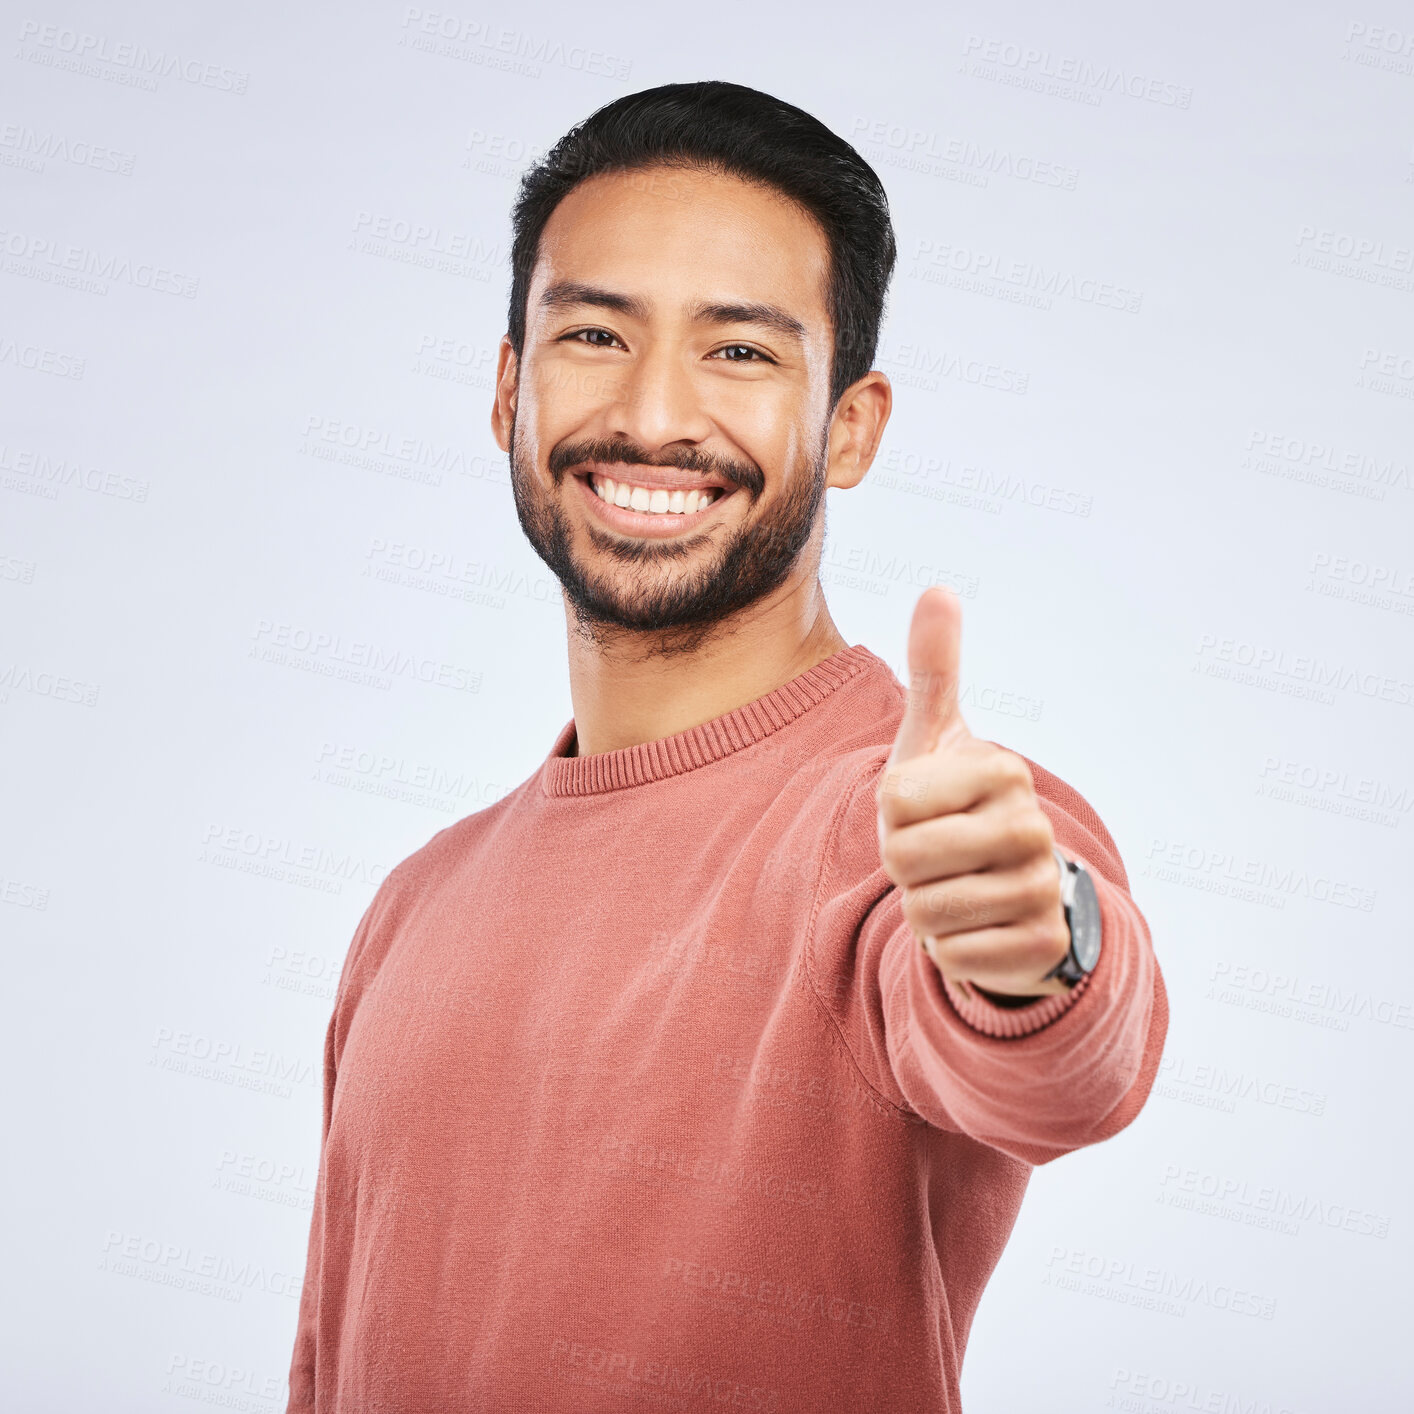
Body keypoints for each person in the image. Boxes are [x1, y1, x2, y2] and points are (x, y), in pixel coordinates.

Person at [286, 80, 1168, 1414]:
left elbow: (1056, 1066)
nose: (653, 414)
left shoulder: (908, 826)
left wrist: (1037, 941)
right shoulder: (409, 906)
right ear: (507, 387)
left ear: (851, 425)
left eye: (740, 352)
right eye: (594, 334)